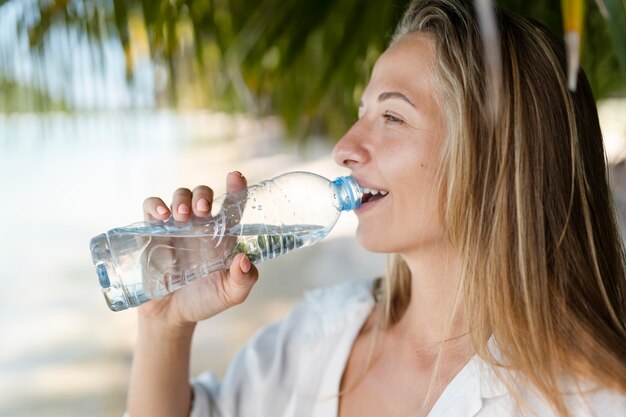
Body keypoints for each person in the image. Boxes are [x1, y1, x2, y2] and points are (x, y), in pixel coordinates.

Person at [125, 0, 626, 416]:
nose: (344, 146)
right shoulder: (316, 337)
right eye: (362, 112)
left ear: (500, 154)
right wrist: (165, 326)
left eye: (392, 116)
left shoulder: (588, 400)